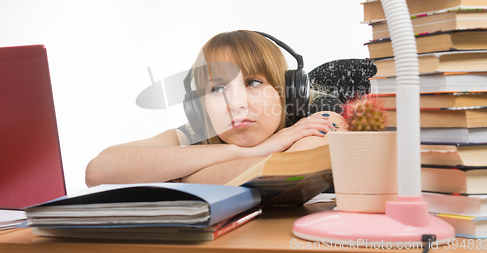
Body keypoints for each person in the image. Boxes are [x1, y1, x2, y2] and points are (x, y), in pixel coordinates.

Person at [85, 30, 347, 187]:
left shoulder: (322, 113)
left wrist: (177, 174)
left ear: (287, 90)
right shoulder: (200, 130)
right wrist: (248, 152)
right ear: (199, 107)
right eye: (217, 89)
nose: (236, 104)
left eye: (253, 82)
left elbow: (285, 172)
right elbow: (99, 170)